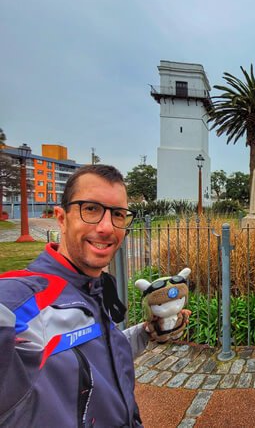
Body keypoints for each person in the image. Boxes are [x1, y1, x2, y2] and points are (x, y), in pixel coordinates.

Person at [0, 164, 176, 427]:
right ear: (61, 217)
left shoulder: (94, 287)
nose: (106, 227)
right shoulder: (20, 302)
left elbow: (96, 348)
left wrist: (147, 332)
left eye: (117, 214)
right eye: (91, 209)